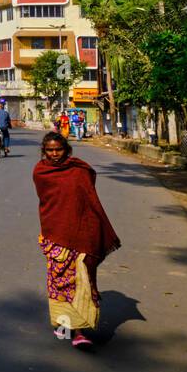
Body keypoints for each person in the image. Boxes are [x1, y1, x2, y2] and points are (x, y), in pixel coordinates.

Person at [33, 131, 121, 350]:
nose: (54, 154)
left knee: (81, 279)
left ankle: (79, 331)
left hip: (81, 233)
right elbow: (48, 201)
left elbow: (89, 198)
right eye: (50, 150)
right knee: (60, 280)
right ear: (44, 152)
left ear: (67, 150)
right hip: (54, 233)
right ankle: (64, 322)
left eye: (58, 149)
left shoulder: (79, 170)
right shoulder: (41, 171)